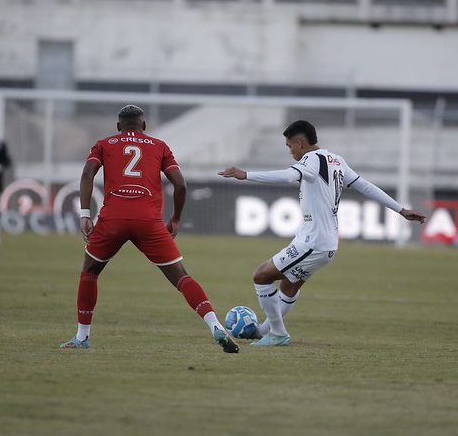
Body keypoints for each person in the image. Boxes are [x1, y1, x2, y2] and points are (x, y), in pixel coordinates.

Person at [218, 120, 426, 347]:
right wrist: (401, 209)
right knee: (288, 286)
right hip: (324, 242)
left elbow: (288, 176)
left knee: (261, 276)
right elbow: (365, 186)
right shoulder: (336, 160)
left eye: (289, 146)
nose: (290, 151)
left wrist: (245, 174)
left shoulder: (311, 160)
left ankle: (277, 333)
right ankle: (263, 331)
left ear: (300, 143)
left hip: (313, 242)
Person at [60, 105, 239, 353]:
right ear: (144, 126)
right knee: (182, 277)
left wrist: (85, 214)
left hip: (113, 219)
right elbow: (180, 184)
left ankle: (82, 337)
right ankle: (215, 325)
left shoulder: (103, 144)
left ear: (118, 127)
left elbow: (88, 172)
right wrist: (175, 218)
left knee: (89, 272)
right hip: (149, 221)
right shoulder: (159, 146)